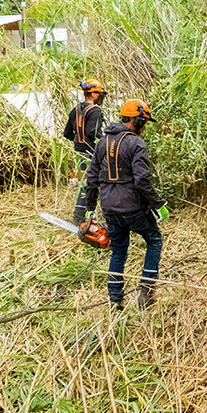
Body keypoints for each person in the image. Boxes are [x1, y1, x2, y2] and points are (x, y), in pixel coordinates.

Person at [85, 99, 167, 310]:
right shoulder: (136, 143)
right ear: (137, 120)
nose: (145, 126)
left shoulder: (102, 143)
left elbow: (92, 177)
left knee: (119, 251)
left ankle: (115, 301)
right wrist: (157, 204)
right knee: (154, 240)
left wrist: (90, 208)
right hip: (133, 208)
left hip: (110, 208)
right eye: (144, 121)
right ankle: (146, 292)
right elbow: (142, 180)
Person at [62, 79, 106, 224]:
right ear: (93, 94)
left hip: (79, 152)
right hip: (92, 152)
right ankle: (80, 217)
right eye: (99, 94)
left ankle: (82, 216)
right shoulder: (95, 110)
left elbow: (67, 133)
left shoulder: (75, 109)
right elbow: (92, 132)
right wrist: (106, 140)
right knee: (96, 183)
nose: (100, 97)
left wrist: (78, 142)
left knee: (85, 183)